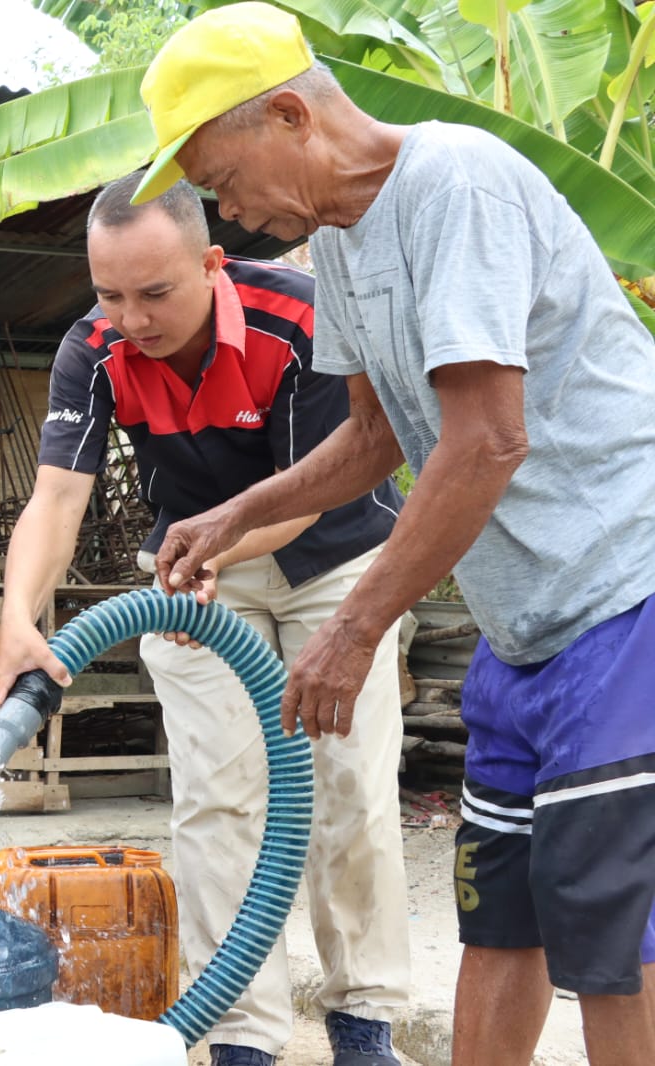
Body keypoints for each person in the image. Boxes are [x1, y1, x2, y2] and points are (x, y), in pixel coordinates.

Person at [133, 5, 655, 1064]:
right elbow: (378, 437)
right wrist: (243, 510)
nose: (219, 207)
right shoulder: (334, 241)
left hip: (623, 594)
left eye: (217, 174)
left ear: (288, 113)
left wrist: (355, 625)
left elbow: (483, 441)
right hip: (526, 631)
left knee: (609, 930)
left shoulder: (453, 185)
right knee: (497, 913)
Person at [0, 173, 409, 1066]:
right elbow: (58, 498)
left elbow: (317, 488)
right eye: (109, 294)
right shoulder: (91, 347)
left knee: (349, 792)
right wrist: (18, 616)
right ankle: (239, 1034)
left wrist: (219, 549)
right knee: (217, 800)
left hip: (331, 560)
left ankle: (364, 1024)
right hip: (188, 574)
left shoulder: (300, 318)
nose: (131, 318)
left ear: (213, 262)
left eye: (155, 292)